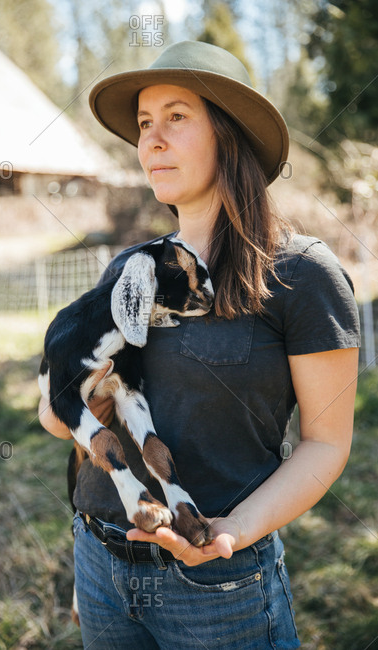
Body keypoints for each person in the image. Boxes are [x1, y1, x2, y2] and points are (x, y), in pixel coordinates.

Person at [38, 40, 361, 648]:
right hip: (101, 564)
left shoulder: (304, 276)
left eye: (176, 117)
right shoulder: (129, 269)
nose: (151, 140)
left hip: (220, 589)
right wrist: (69, 408)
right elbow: (61, 416)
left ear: (229, 133)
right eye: (143, 124)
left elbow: (326, 444)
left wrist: (230, 533)